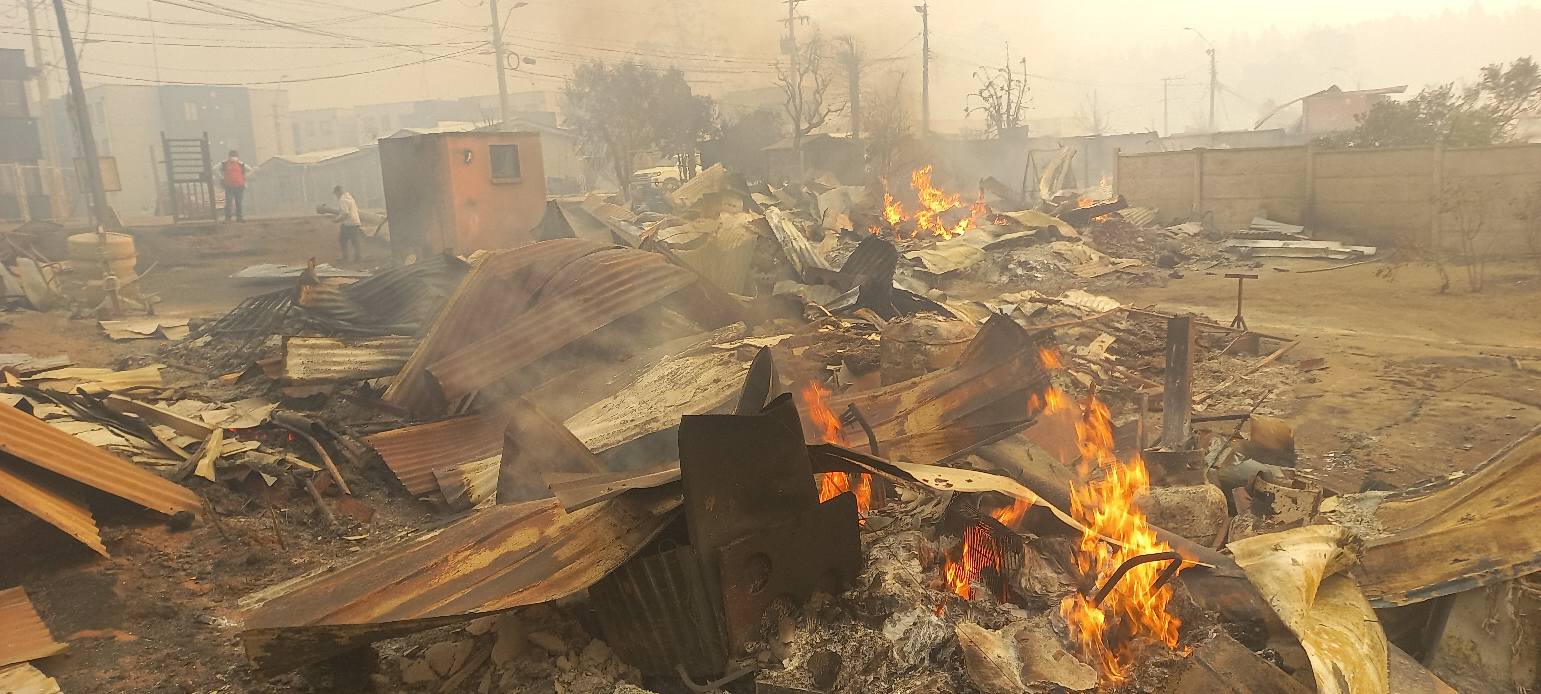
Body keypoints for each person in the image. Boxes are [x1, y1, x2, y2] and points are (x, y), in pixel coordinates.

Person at [333, 185, 364, 262]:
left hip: (348, 223)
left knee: (342, 240)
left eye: (336, 193)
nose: (336, 195)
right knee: (355, 241)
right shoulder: (350, 197)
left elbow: (345, 213)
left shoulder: (342, 200)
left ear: (338, 192)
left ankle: (345, 257)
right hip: (355, 221)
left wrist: (337, 220)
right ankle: (358, 257)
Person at [221, 150, 249, 222]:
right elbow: (214, 169)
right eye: (232, 156)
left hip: (239, 186)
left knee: (238, 202)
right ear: (229, 156)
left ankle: (239, 218)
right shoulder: (224, 163)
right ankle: (228, 218)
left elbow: (249, 169)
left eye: (234, 156)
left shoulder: (241, 164)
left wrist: (244, 177)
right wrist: (222, 177)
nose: (233, 157)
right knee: (229, 202)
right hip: (229, 186)